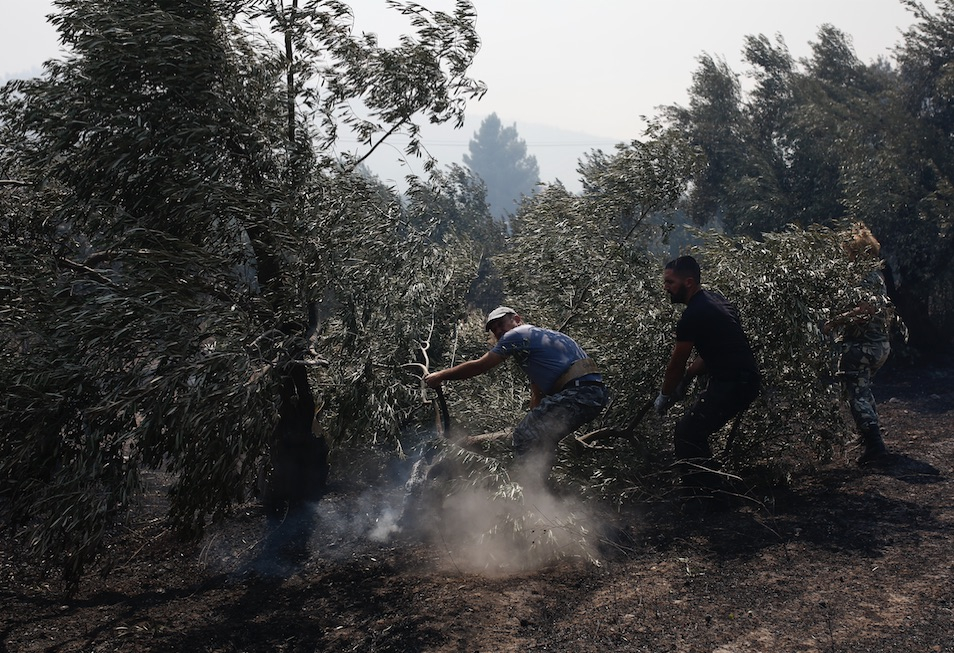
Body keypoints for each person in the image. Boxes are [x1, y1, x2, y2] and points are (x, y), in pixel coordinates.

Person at [424, 306, 609, 487]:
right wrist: (534, 416)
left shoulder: (518, 334)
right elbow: (538, 391)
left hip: (579, 393)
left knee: (523, 435)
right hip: (593, 394)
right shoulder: (539, 341)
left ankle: (528, 492)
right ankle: (548, 491)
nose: (498, 330)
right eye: (494, 329)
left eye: (501, 324)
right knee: (542, 438)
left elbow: (479, 366)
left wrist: (440, 376)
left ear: (517, 319)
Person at [655, 255, 760, 498]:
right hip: (743, 380)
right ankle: (709, 492)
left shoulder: (693, 315)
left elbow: (676, 363)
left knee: (687, 433)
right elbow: (713, 351)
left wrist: (665, 395)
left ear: (688, 282)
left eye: (670, 282)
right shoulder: (716, 302)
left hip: (734, 382)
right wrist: (688, 378)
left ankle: (708, 497)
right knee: (693, 431)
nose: (666, 288)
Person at [822, 223, 892, 465]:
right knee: (863, 390)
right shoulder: (876, 275)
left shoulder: (865, 277)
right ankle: (872, 441)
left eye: (848, 251)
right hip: (878, 346)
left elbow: (864, 312)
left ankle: (875, 447)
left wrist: (834, 322)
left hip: (863, 348)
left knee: (857, 394)